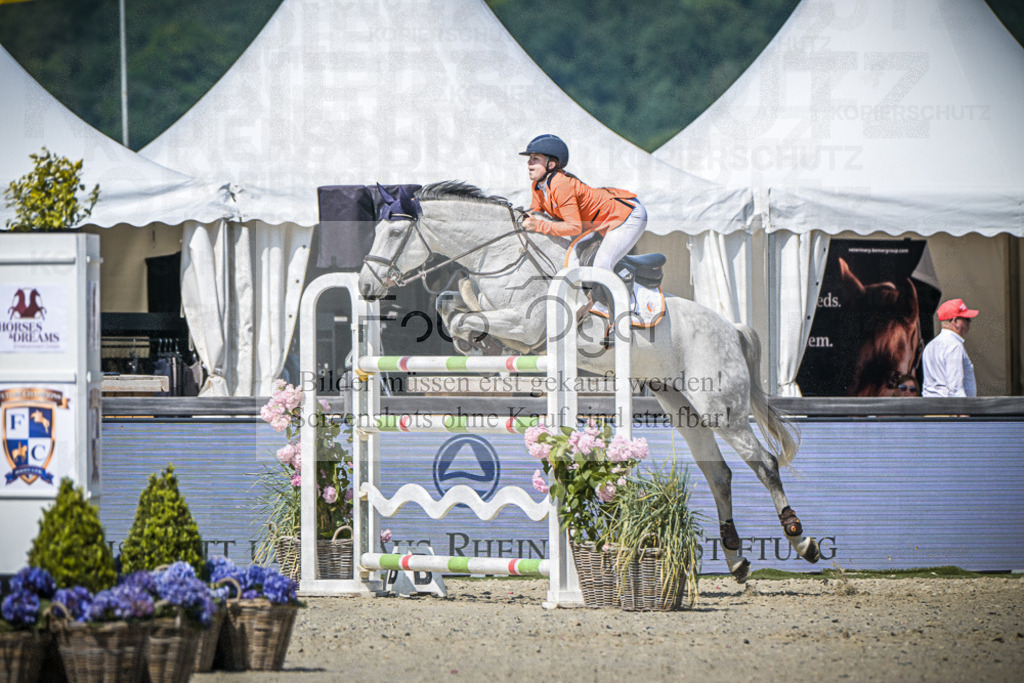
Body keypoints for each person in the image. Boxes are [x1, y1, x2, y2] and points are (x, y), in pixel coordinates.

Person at [519, 134, 647, 286]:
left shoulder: (561, 185)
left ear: (551, 164)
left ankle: (622, 308)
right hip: (597, 221)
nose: (529, 162)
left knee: (601, 266)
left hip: (626, 215)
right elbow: (536, 213)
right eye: (530, 158)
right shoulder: (538, 185)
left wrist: (538, 226)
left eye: (535, 159)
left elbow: (573, 227)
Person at [922, 298, 979, 397]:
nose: (969, 322)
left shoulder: (930, 346)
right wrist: (964, 411)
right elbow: (955, 388)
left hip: (931, 407)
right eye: (966, 319)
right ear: (956, 321)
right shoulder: (954, 345)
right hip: (950, 409)